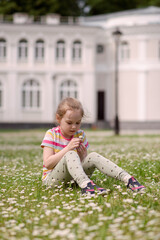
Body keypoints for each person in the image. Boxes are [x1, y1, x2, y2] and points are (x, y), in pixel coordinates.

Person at [41, 97, 145, 195]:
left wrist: (83, 156)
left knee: (93, 156)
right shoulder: (51, 134)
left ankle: (128, 179)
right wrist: (68, 149)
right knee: (70, 153)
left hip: (73, 180)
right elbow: (48, 163)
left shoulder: (80, 134)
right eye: (69, 123)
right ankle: (87, 186)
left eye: (78, 123)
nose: (74, 127)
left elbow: (79, 165)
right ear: (58, 119)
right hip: (52, 181)